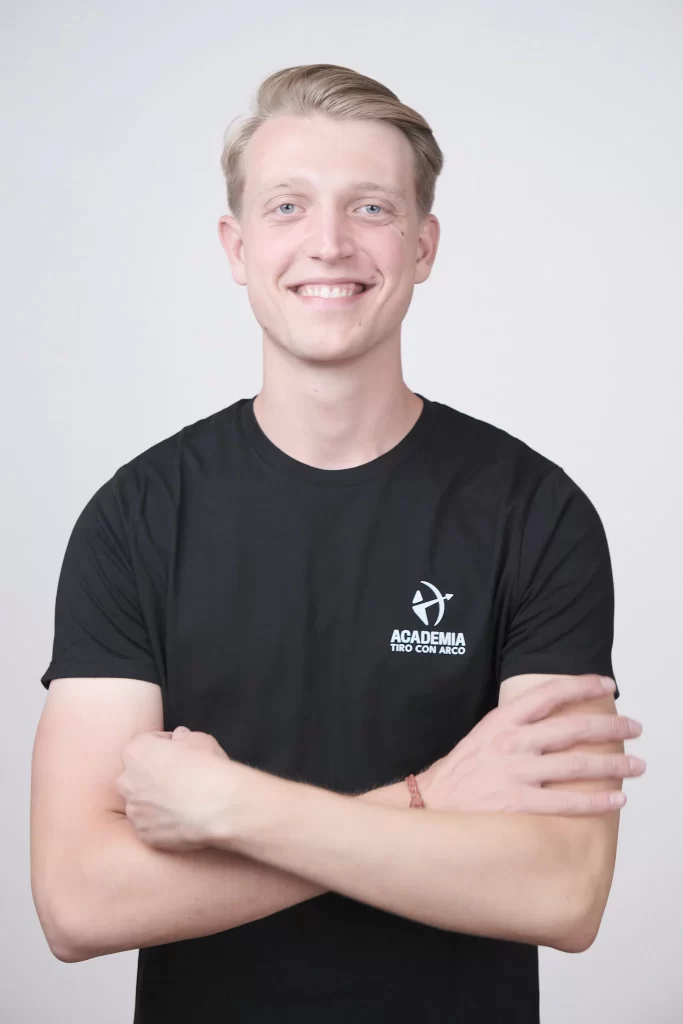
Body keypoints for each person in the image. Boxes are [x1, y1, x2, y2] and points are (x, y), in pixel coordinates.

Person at [31, 64, 645, 1023]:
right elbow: (78, 902)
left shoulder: (535, 511)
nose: (328, 243)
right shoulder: (137, 516)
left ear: (422, 244)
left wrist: (230, 807)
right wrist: (427, 801)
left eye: (370, 207)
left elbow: (559, 892)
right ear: (237, 247)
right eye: (287, 206)